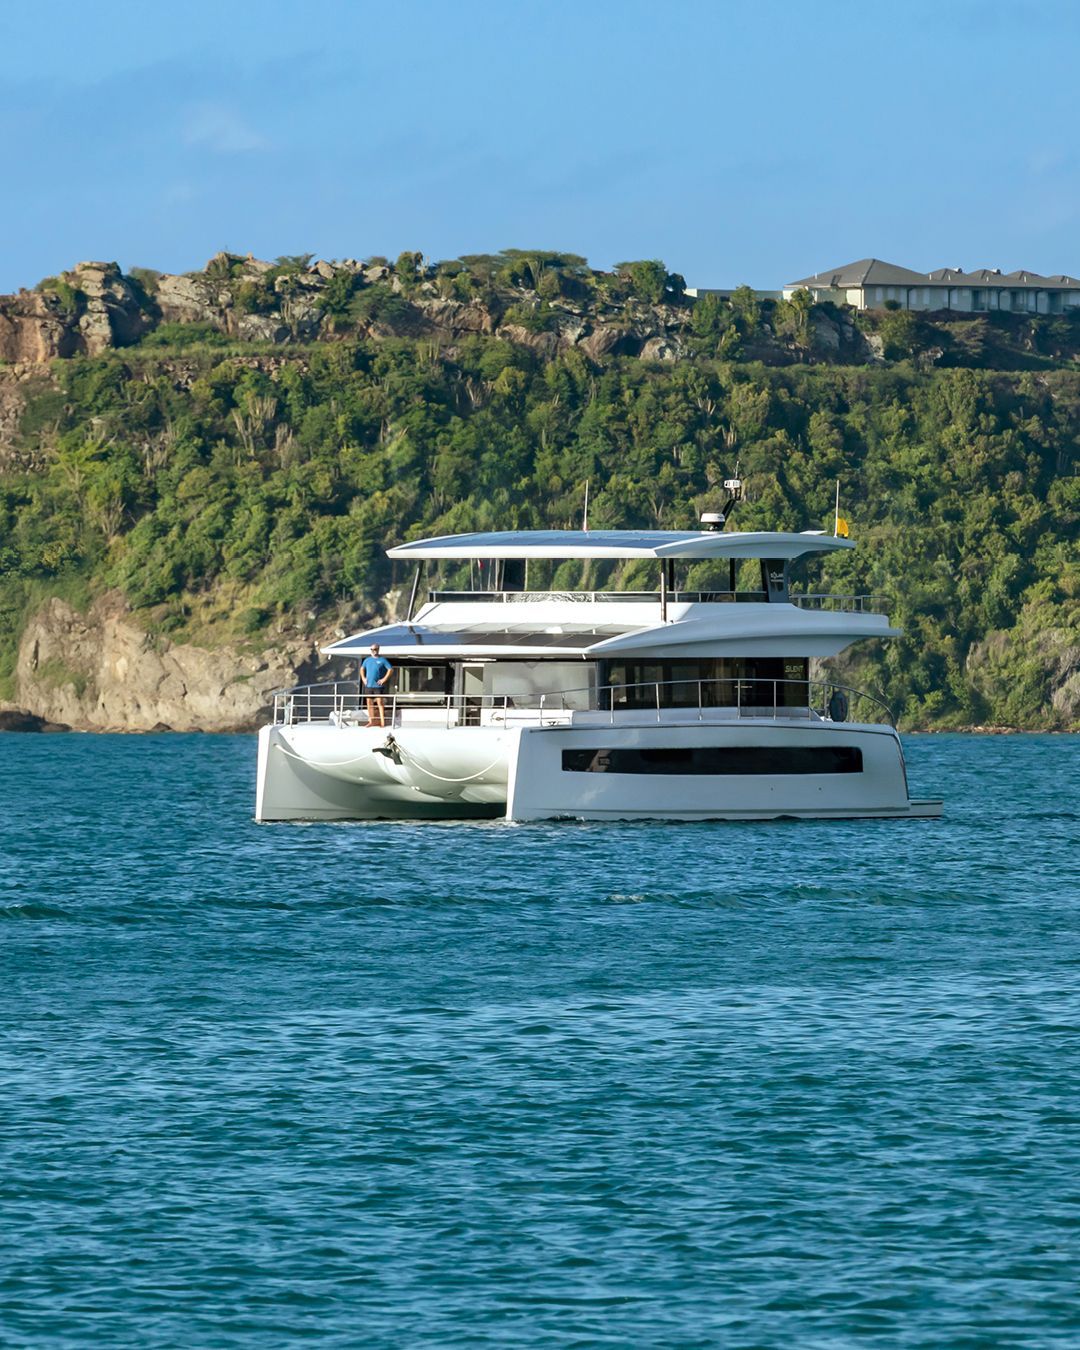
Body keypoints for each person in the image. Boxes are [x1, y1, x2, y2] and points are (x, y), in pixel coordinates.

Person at [360, 644, 394, 727]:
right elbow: (362, 669)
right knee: (369, 702)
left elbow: (390, 669)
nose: (373, 651)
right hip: (369, 685)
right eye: (371, 649)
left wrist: (384, 679)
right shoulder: (367, 660)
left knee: (380, 703)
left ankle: (382, 722)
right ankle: (371, 721)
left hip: (378, 686)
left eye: (375, 649)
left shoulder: (382, 660)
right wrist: (363, 678)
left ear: (378, 649)